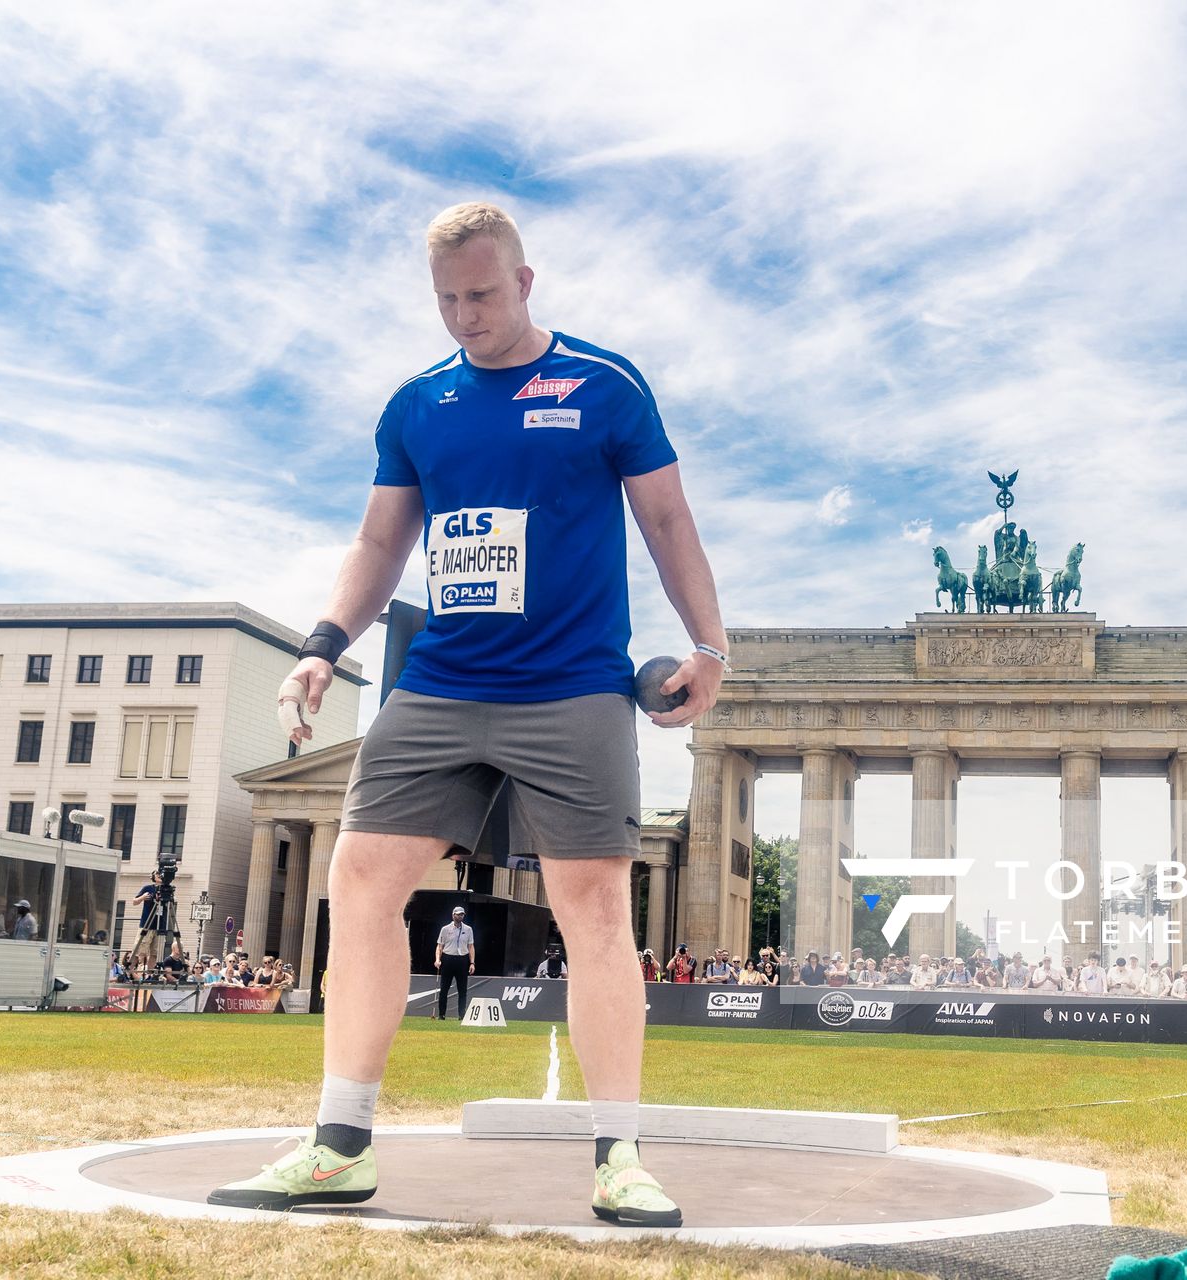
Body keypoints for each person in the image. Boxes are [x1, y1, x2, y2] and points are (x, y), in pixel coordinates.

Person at [210, 201, 722, 1227]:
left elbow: (665, 515)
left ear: (526, 282)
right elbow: (379, 544)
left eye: (482, 294)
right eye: (446, 300)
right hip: (442, 684)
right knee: (358, 877)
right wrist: (322, 647)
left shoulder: (605, 383)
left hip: (572, 684)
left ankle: (620, 1153)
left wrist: (708, 647)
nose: (464, 316)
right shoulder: (417, 405)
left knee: (595, 909)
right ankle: (340, 1142)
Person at [433, 906, 475, 1019]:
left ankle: (462, 1015)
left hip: (462, 960)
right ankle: (441, 1015)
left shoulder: (468, 929)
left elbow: (471, 947)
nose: (460, 916)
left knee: (462, 990)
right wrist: (438, 959)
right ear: (453, 915)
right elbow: (439, 946)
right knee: (444, 989)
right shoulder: (445, 929)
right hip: (448, 959)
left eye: (462, 914)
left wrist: (472, 963)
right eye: (458, 914)